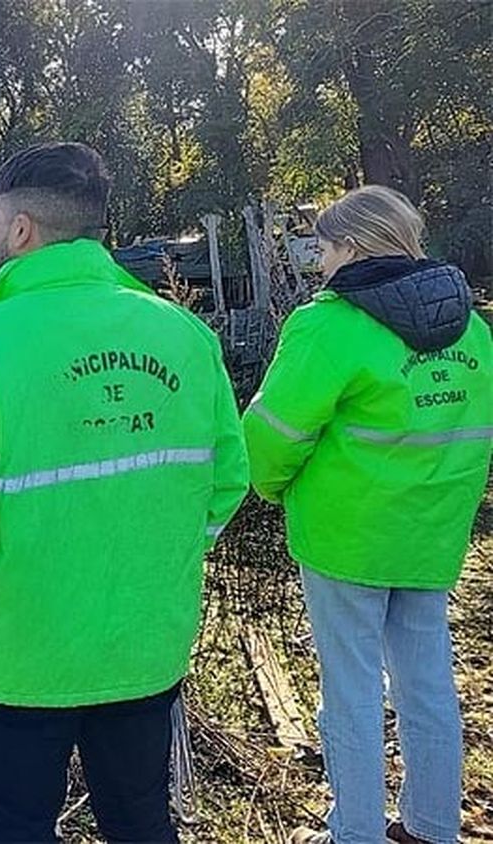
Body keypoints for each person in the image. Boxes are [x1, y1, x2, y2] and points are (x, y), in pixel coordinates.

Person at [0, 141, 249, 842]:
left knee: (19, 825)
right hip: (145, 641)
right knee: (141, 818)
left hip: (19, 650)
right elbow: (226, 476)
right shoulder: (181, 333)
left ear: (21, 229)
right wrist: (162, 553)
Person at [244, 185, 492, 844]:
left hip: (345, 537)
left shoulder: (328, 324)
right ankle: (434, 827)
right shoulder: (472, 329)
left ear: (351, 246)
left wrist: (272, 489)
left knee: (351, 691)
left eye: (323, 246)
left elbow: (270, 434)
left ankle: (355, 832)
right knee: (428, 686)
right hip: (431, 532)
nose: (319, 261)